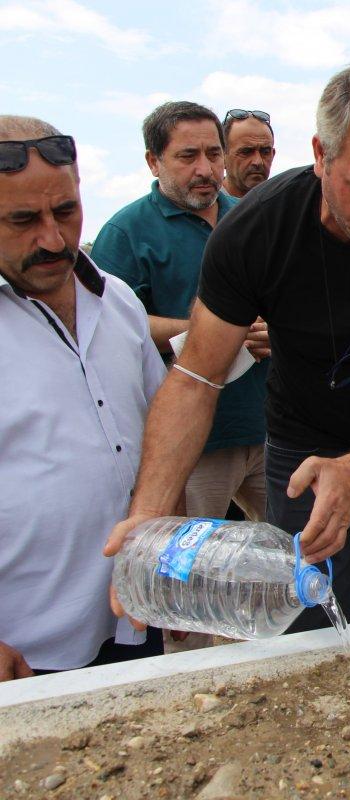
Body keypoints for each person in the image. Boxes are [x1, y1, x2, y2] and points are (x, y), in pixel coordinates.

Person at [103, 58, 350, 632]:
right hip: (302, 460)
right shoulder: (255, 231)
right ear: (321, 154)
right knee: (305, 634)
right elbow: (196, 377)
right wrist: (146, 518)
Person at [0, 116, 165, 678]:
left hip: (132, 616)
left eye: (66, 212)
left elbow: (158, 433)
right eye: (23, 220)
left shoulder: (116, 299)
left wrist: (171, 562)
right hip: (27, 648)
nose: (52, 239)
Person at [91, 101, 269, 529]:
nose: (206, 169)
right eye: (188, 156)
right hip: (193, 442)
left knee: (298, 556)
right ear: (154, 161)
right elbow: (110, 326)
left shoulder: (251, 217)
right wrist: (213, 332)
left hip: (269, 427)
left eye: (214, 153)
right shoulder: (126, 232)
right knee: (190, 563)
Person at [222, 108, 275, 198]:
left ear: (273, 155)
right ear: (222, 157)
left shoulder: (284, 206)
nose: (258, 162)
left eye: (265, 152)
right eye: (246, 152)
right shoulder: (204, 207)